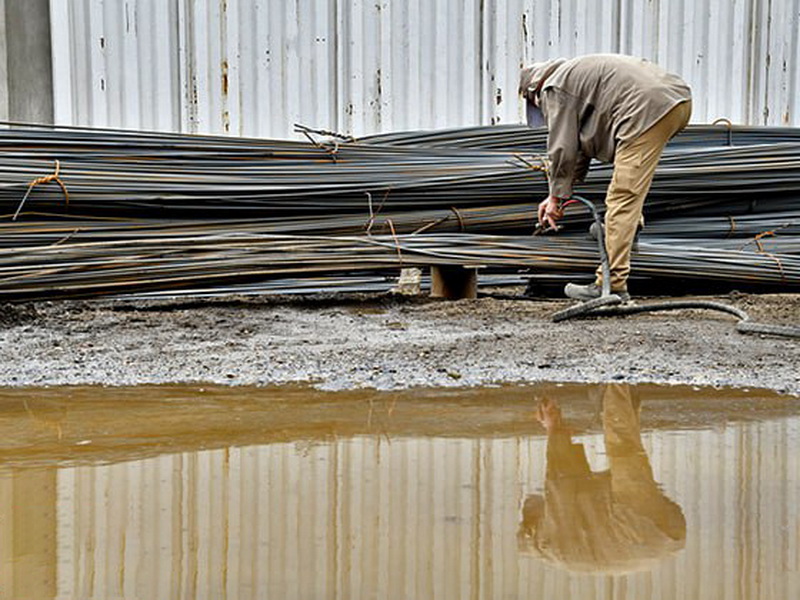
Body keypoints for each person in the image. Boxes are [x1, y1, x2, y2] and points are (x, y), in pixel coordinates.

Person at [519, 54, 692, 301]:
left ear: (533, 93)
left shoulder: (553, 88)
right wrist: (559, 195)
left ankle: (611, 284)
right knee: (630, 180)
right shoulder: (574, 76)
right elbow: (577, 146)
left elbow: (562, 148)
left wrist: (555, 197)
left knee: (622, 197)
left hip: (645, 108)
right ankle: (627, 229)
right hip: (676, 101)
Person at [517, 384, 686, 573]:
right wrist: (553, 427)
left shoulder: (569, 549)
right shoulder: (547, 542)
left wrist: (559, 433)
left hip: (666, 538)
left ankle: (621, 396)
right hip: (641, 531)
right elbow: (561, 485)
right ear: (530, 528)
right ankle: (616, 382)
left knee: (627, 459)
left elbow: (574, 480)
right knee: (623, 449)